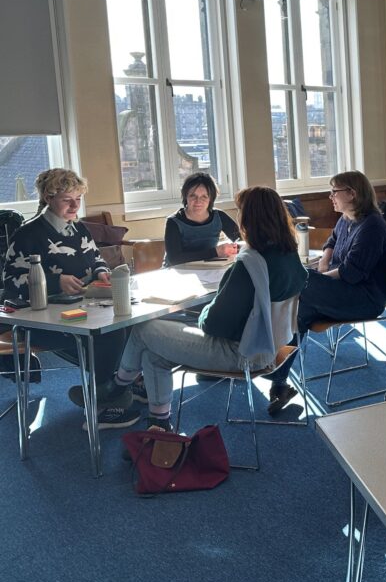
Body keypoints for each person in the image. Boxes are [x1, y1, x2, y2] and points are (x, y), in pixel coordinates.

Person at [92, 187, 307, 430]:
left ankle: (117, 388)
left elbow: (214, 324)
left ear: (248, 218)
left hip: (241, 353)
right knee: (154, 355)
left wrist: (202, 313)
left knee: (144, 328)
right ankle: (159, 424)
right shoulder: (289, 256)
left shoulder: (249, 265)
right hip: (273, 346)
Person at [1, 169, 133, 427]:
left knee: (128, 326)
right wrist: (53, 282)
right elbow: (11, 283)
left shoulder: (79, 228)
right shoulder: (28, 234)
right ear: (49, 198)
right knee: (110, 335)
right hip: (42, 320)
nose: (75, 205)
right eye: (67, 199)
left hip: (83, 309)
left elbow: (96, 259)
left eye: (78, 199)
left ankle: (113, 390)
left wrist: (102, 273)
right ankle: (102, 406)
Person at [265, 171, 386, 415]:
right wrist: (324, 261)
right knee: (298, 311)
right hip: (342, 290)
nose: (330, 196)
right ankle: (279, 383)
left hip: (364, 299)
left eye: (334, 191)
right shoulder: (346, 218)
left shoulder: (372, 227)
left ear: (352, 194)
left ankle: (268, 364)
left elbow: (352, 273)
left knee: (301, 283)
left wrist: (318, 278)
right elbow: (331, 242)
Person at [163, 172, 240, 267]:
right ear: (185, 196)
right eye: (193, 196)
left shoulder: (220, 216)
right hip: (176, 272)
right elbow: (174, 259)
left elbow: (241, 239)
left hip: (208, 270)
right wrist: (215, 252)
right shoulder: (173, 222)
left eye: (204, 196)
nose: (198, 201)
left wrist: (235, 247)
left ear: (211, 198)